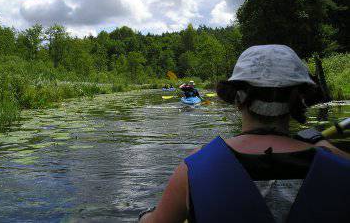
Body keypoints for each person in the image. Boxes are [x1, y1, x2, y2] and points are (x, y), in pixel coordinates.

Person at [139, 45, 350, 223]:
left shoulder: (193, 168)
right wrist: (328, 149)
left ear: (237, 99)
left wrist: (145, 216)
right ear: (299, 100)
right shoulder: (340, 164)